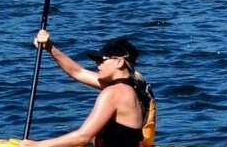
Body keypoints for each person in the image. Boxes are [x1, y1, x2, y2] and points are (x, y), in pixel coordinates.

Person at [23, 30, 156, 147]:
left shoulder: (114, 93)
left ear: (120, 62)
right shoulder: (137, 88)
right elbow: (77, 72)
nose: (97, 64)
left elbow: (83, 137)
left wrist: (38, 145)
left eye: (101, 60)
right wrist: (50, 48)